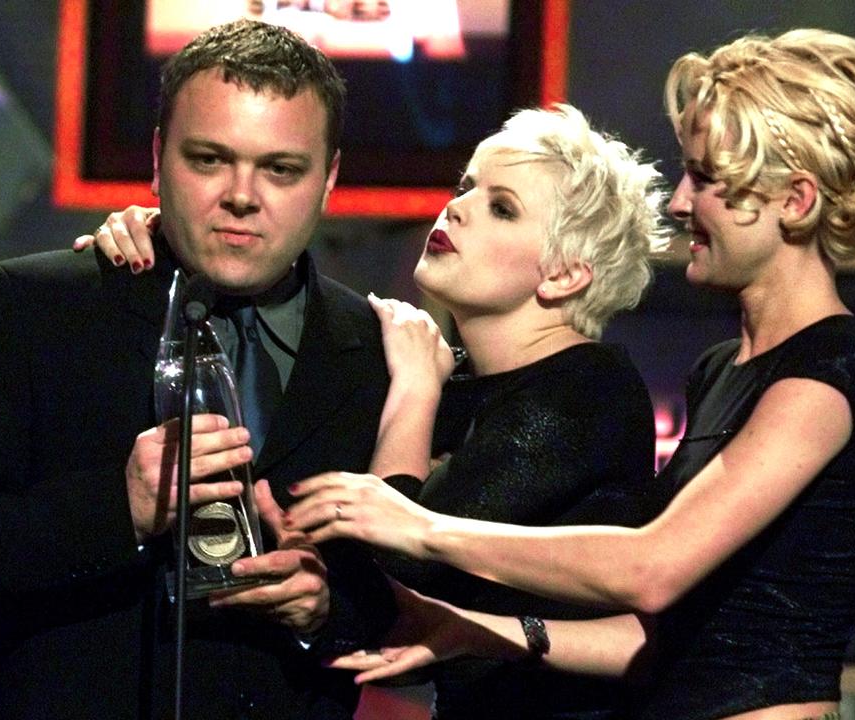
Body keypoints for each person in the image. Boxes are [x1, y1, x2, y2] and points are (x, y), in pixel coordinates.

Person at [286, 28, 855, 720]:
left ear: (795, 203)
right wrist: (476, 631)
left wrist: (419, 526)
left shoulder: (836, 367)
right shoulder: (720, 371)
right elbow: (654, 640)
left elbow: (653, 568)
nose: (681, 203)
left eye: (706, 179)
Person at [0, 19, 395, 719]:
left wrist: (324, 610)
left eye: (280, 168)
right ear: (157, 158)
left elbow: (406, 605)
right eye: (208, 159)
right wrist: (120, 508)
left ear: (328, 178)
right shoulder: (32, 309)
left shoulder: (374, 348)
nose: (241, 194)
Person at [85, 103, 672, 719]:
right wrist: (161, 236)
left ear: (564, 275)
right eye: (466, 186)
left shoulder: (587, 388)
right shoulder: (466, 383)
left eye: (502, 207)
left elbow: (397, 569)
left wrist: (416, 390)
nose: (458, 207)